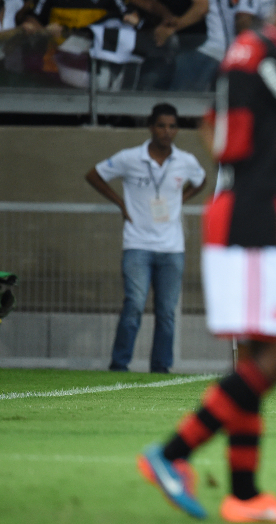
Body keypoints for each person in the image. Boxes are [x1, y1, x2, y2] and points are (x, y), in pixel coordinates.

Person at [137, 0, 276, 523]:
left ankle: (244, 497)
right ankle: (171, 454)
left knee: (255, 355)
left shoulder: (241, 53)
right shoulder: (274, 49)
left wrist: (244, 156)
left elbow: (211, 124)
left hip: (241, 207)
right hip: (255, 215)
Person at [85, 103, 206, 374]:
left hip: (172, 247)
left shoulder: (184, 160)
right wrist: (120, 203)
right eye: (161, 125)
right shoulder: (130, 157)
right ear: (151, 127)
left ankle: (160, 368)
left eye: (172, 126)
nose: (167, 131)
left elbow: (201, 180)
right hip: (137, 244)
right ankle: (119, 364)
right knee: (134, 306)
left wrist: (180, 199)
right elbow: (94, 174)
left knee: (166, 312)